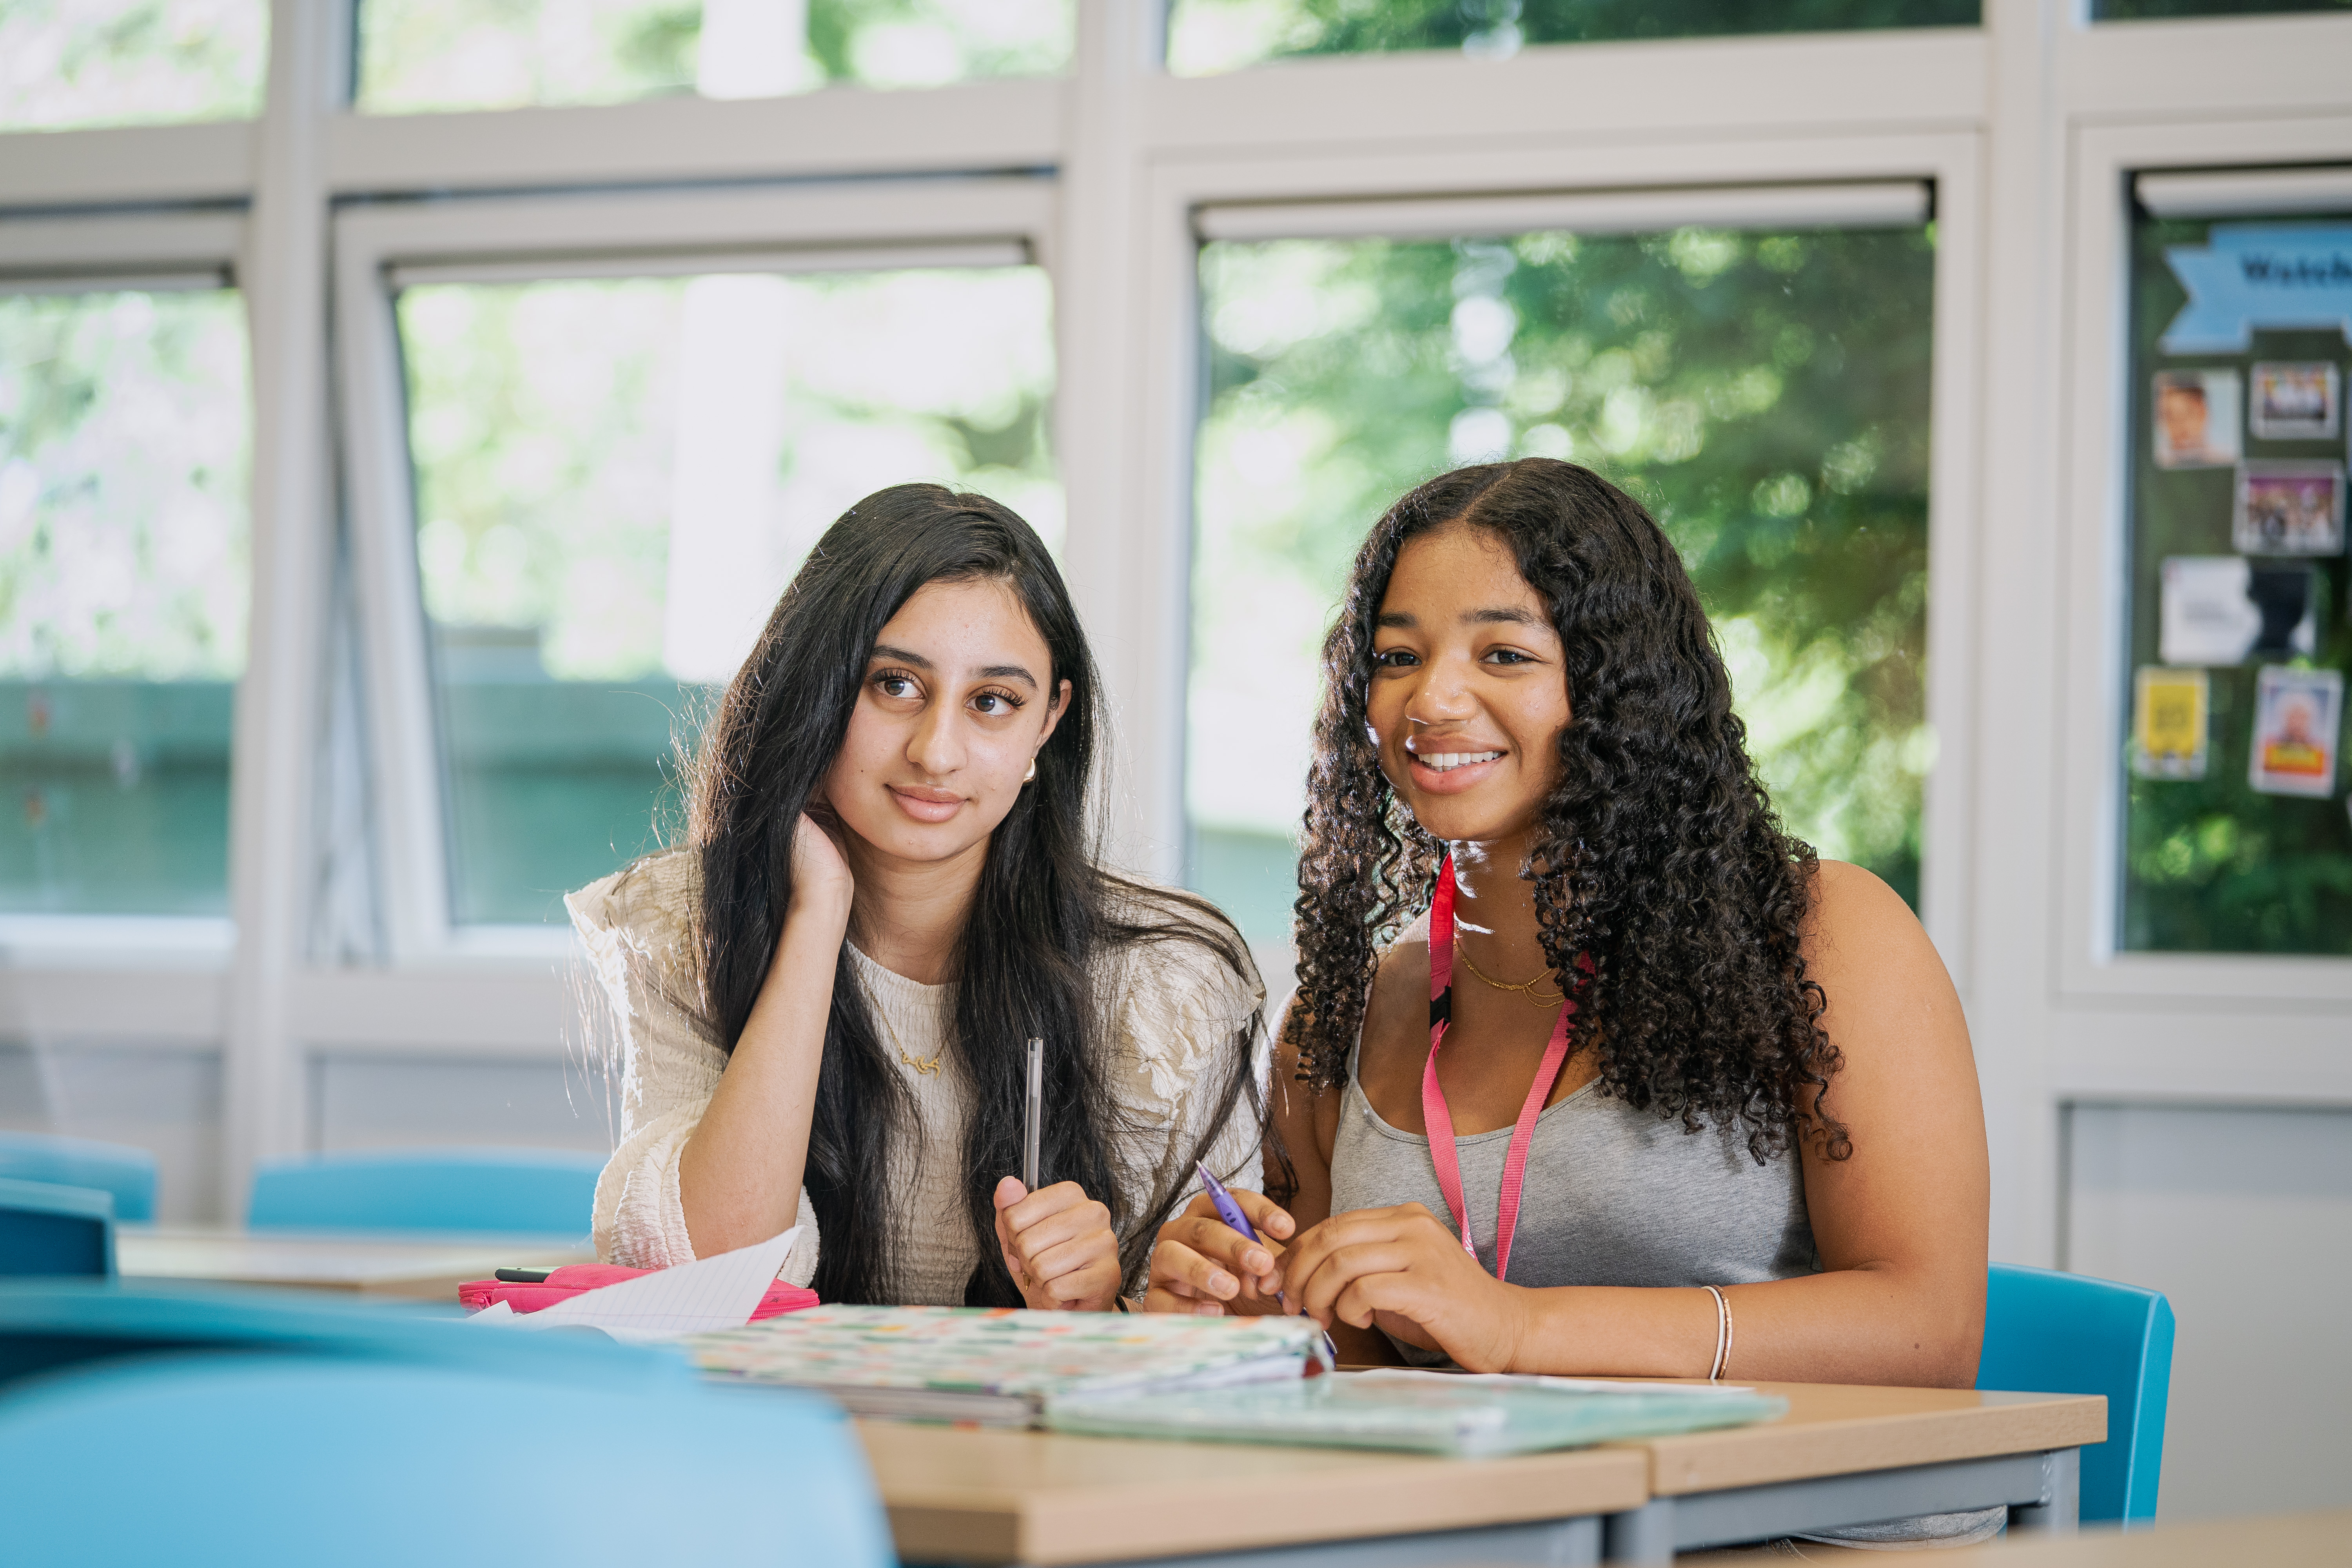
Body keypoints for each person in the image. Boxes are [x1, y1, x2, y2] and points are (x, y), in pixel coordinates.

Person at [1147, 459, 1994, 1545]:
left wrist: (1518, 1327)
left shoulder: (1825, 933)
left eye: (1503, 653)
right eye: (1398, 657)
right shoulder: (1349, 1013)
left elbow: (1928, 1329)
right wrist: (1269, 1315)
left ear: (1618, 689)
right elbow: (1359, 1371)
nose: (1434, 698)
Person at [573, 484, 1265, 1309]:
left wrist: (1098, 1309)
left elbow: (1231, 1326)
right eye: (894, 685)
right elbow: (708, 1282)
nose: (937, 750)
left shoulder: (1163, 980)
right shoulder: (684, 926)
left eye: (993, 702)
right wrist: (816, 911)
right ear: (816, 689)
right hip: (776, 1433)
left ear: (1048, 722)